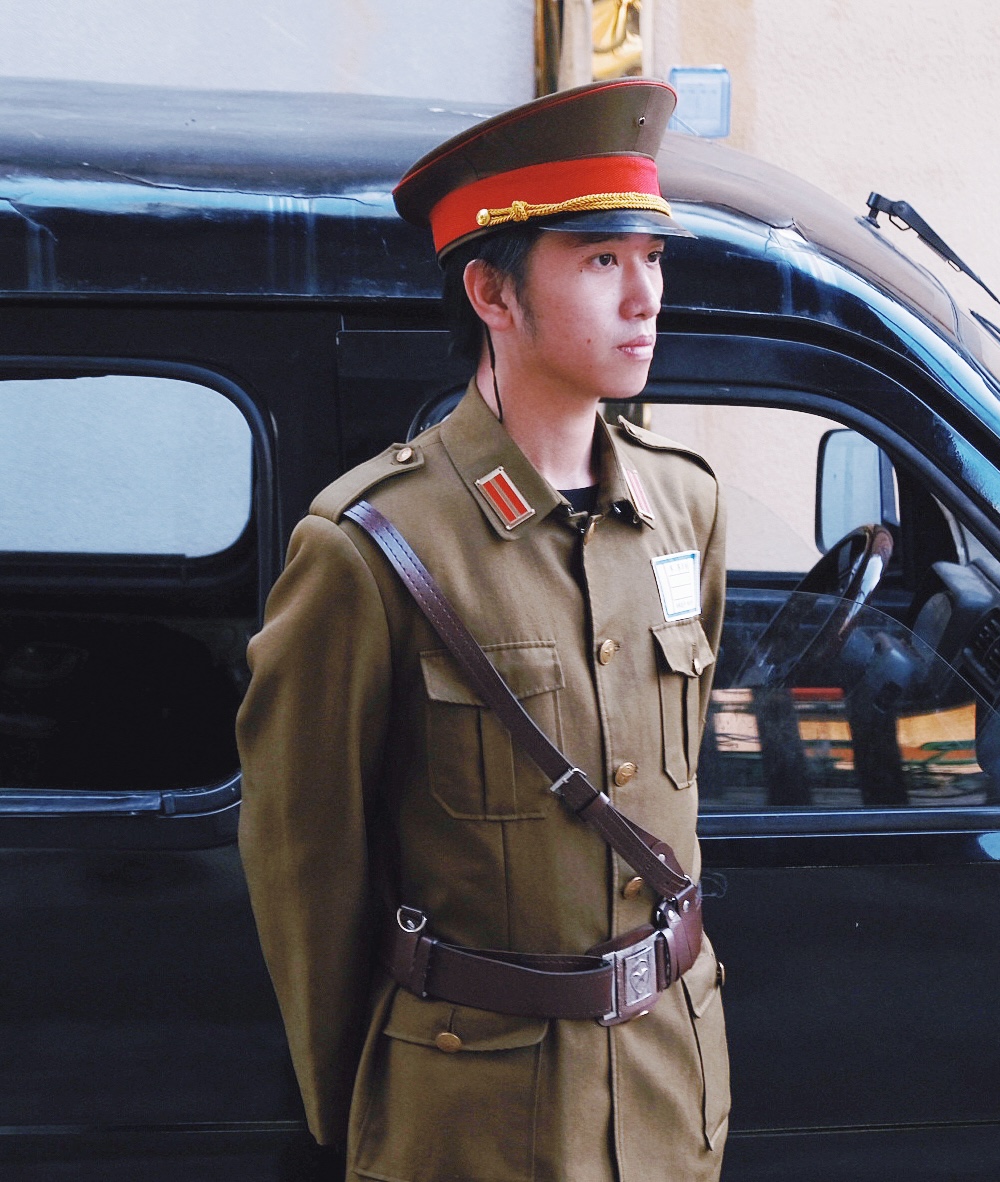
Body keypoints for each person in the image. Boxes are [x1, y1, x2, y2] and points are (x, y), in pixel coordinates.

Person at [237, 78, 729, 1182]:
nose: (644, 296)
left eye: (652, 258)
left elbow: (674, 779)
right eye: (600, 261)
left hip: (668, 1087)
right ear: (492, 296)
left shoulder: (683, 508)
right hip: (474, 1119)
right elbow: (306, 865)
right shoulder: (371, 548)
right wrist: (365, 1102)